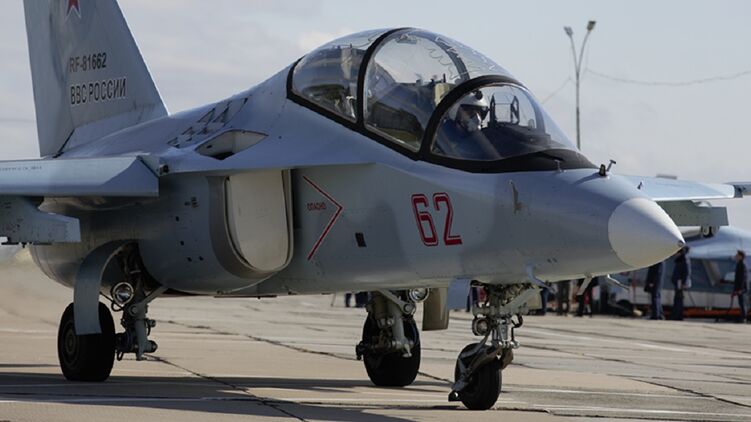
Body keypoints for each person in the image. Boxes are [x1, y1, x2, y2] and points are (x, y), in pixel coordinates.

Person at [670, 246, 691, 320]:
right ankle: (676, 315)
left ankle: (677, 315)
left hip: (680, 283)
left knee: (679, 299)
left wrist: (684, 283)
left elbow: (686, 272)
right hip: (678, 282)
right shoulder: (681, 259)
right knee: (678, 299)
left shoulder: (684, 259)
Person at [732, 250, 748, 323]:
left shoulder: (742, 265)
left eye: (737, 255)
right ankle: (742, 317)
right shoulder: (739, 264)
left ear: (741, 257)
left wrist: (740, 289)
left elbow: (742, 278)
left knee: (742, 303)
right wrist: (735, 289)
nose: (736, 256)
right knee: (740, 302)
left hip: (742, 289)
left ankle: (744, 318)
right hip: (739, 288)